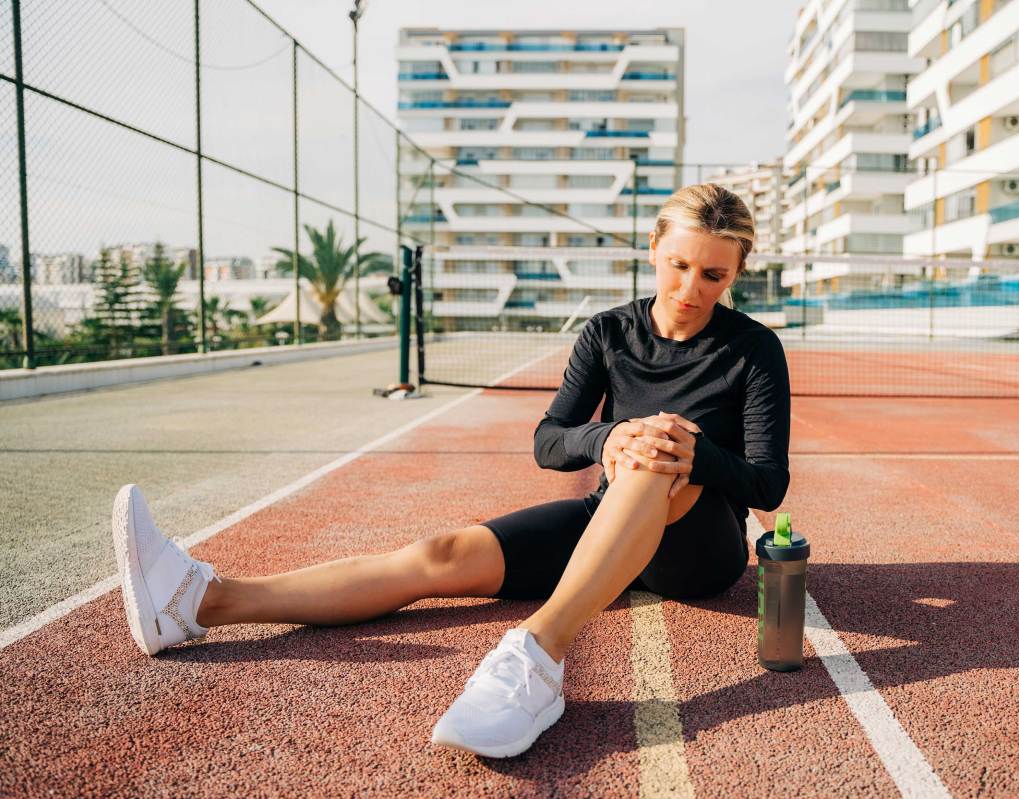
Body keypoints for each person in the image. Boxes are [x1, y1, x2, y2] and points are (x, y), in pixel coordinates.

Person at [110, 183, 791, 759]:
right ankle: (199, 601)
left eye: (713, 275)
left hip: (697, 548)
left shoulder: (755, 351)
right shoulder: (607, 333)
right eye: (678, 266)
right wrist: (607, 437)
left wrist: (690, 453)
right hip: (609, 519)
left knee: (658, 451)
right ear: (653, 250)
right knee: (440, 554)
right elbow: (550, 440)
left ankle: (538, 658)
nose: (691, 288)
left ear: (735, 273)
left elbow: (767, 482)